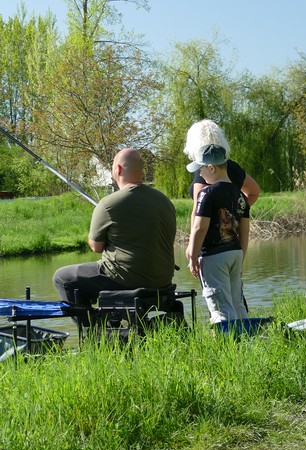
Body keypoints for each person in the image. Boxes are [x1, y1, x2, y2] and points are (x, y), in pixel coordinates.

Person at [53, 149, 177, 316]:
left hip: (126, 279)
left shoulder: (108, 204)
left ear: (118, 169)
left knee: (62, 277)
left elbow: (96, 247)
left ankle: (92, 327)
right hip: (163, 279)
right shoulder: (164, 200)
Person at [185, 143, 251, 322]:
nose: (200, 174)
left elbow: (199, 227)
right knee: (237, 302)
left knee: (220, 306)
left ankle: (227, 337)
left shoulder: (206, 193)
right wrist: (241, 258)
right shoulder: (241, 196)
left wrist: (193, 256)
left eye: (201, 169)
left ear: (211, 168)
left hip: (213, 256)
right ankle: (247, 335)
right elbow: (245, 231)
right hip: (236, 253)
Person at [184, 119, 260, 214]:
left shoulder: (204, 169)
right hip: (233, 223)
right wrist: (237, 213)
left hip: (208, 224)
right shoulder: (233, 167)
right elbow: (253, 193)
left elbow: (197, 211)